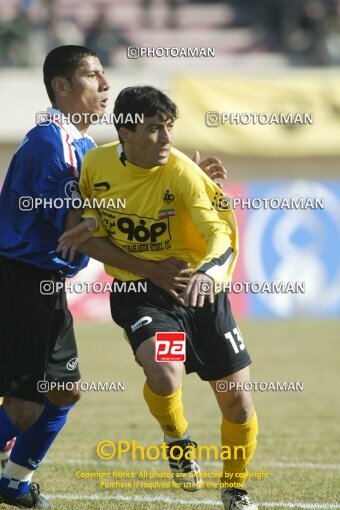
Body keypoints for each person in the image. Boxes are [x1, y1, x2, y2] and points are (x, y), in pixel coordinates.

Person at [0, 45, 226, 508]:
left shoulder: (81, 145)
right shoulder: (52, 144)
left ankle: (14, 481)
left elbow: (106, 209)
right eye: (92, 76)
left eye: (104, 75)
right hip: (20, 279)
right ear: (61, 87)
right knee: (25, 405)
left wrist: (184, 184)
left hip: (44, 284)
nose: (105, 85)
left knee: (63, 391)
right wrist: (142, 260)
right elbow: (73, 232)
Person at [58, 86, 259, 510]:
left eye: (169, 127)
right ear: (125, 132)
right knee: (165, 371)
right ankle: (176, 437)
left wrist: (207, 272)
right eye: (154, 129)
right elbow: (96, 215)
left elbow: (220, 231)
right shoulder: (95, 164)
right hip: (141, 293)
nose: (166, 139)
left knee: (238, 402)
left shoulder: (184, 172)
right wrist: (91, 220)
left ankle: (235, 489)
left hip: (198, 289)